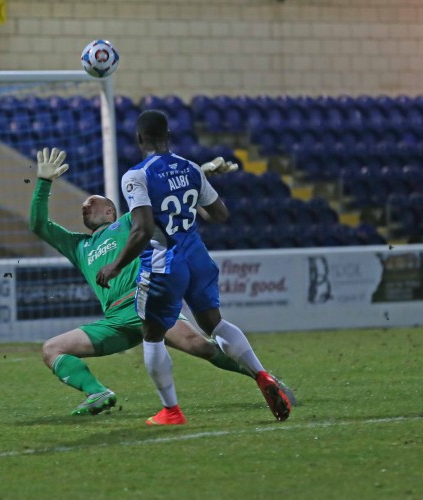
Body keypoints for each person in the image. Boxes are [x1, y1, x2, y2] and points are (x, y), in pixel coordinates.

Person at [30, 146, 295, 424]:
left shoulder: (129, 222)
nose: (85, 205)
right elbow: (39, 225)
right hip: (115, 321)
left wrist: (201, 173)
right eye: (84, 206)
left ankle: (264, 379)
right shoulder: (78, 245)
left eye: (92, 202)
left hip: (147, 301)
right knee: (51, 349)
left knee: (200, 347)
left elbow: (167, 197)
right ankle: (97, 393)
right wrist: (43, 183)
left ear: (110, 210)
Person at [96, 110, 293, 425]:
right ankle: (261, 374)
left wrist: (116, 265)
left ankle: (171, 411)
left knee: (153, 334)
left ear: (138, 139)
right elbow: (220, 215)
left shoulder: (136, 176)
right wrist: (191, 195)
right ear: (169, 136)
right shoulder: (190, 168)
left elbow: (142, 229)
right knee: (215, 324)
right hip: (197, 256)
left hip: (164, 263)